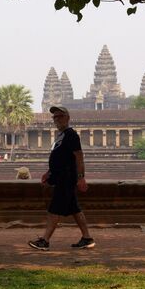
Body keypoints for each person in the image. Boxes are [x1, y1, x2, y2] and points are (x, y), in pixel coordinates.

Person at [28, 106, 93, 251]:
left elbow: (79, 157)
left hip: (66, 178)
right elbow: (60, 158)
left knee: (54, 210)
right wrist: (49, 172)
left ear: (67, 118)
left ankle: (44, 241)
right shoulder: (61, 136)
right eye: (55, 117)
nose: (57, 119)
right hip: (60, 177)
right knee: (75, 209)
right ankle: (87, 238)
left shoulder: (71, 135)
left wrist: (81, 177)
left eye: (60, 116)